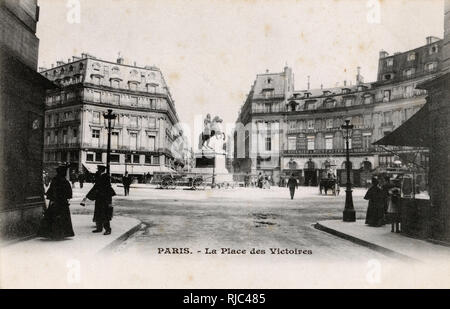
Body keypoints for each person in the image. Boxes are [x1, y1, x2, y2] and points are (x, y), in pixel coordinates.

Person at [38, 166, 74, 239]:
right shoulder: (64, 181)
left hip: (55, 201)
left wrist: (52, 199)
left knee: (53, 217)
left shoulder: (55, 180)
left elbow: (51, 191)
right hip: (62, 202)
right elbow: (69, 193)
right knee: (62, 217)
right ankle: (62, 233)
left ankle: (53, 233)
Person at [82, 165, 116, 235]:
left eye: (98, 169)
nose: (97, 171)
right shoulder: (99, 176)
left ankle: (108, 229)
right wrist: (87, 196)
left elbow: (108, 189)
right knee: (98, 213)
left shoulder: (106, 177)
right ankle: (99, 228)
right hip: (99, 198)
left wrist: (109, 202)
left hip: (105, 199)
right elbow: (95, 187)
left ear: (101, 170)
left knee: (105, 214)